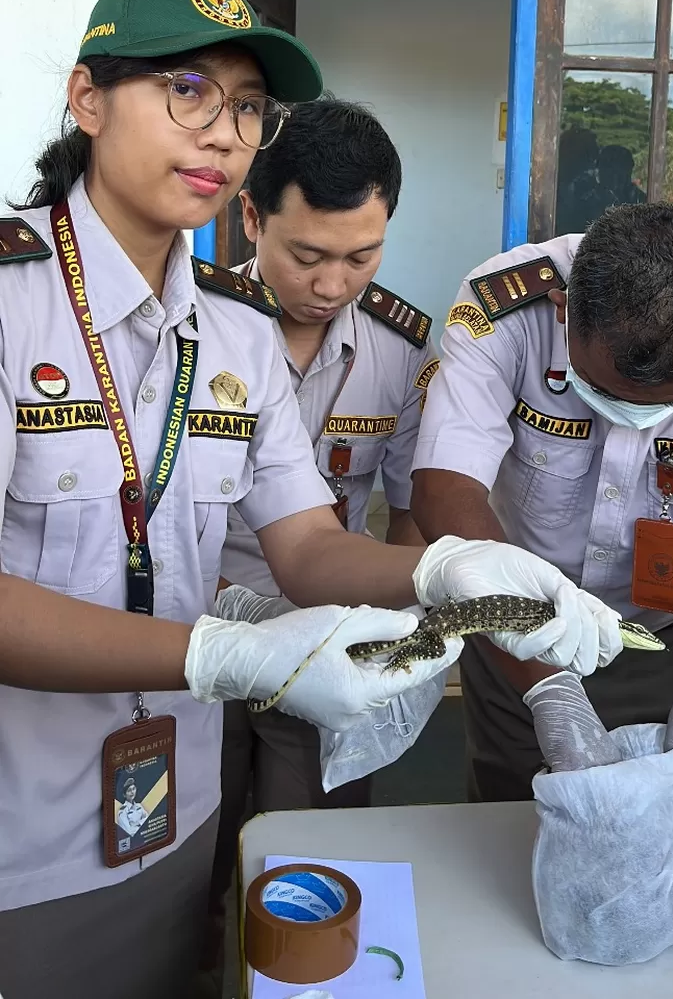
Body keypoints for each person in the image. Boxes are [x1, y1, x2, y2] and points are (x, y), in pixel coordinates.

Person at [0, 0, 618, 999]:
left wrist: (449, 572)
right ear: (88, 99)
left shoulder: (232, 329)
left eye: (247, 106)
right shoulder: (14, 305)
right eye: (186, 91)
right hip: (21, 828)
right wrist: (224, 652)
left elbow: (305, 543)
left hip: (174, 803)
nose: (223, 133)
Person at [411, 204, 673, 854]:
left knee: (660, 844)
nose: (632, 420)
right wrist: (549, 685)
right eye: (604, 391)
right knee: (510, 834)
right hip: (516, 629)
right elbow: (444, 489)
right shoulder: (505, 306)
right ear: (566, 309)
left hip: (667, 640)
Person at [203, 97, 438, 976]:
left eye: (361, 256)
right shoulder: (193, 325)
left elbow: (408, 512)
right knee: (189, 841)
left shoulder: (403, 347)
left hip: (323, 637)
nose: (334, 284)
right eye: (307, 255)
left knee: (313, 846)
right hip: (194, 626)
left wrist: (398, 633)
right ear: (251, 215)